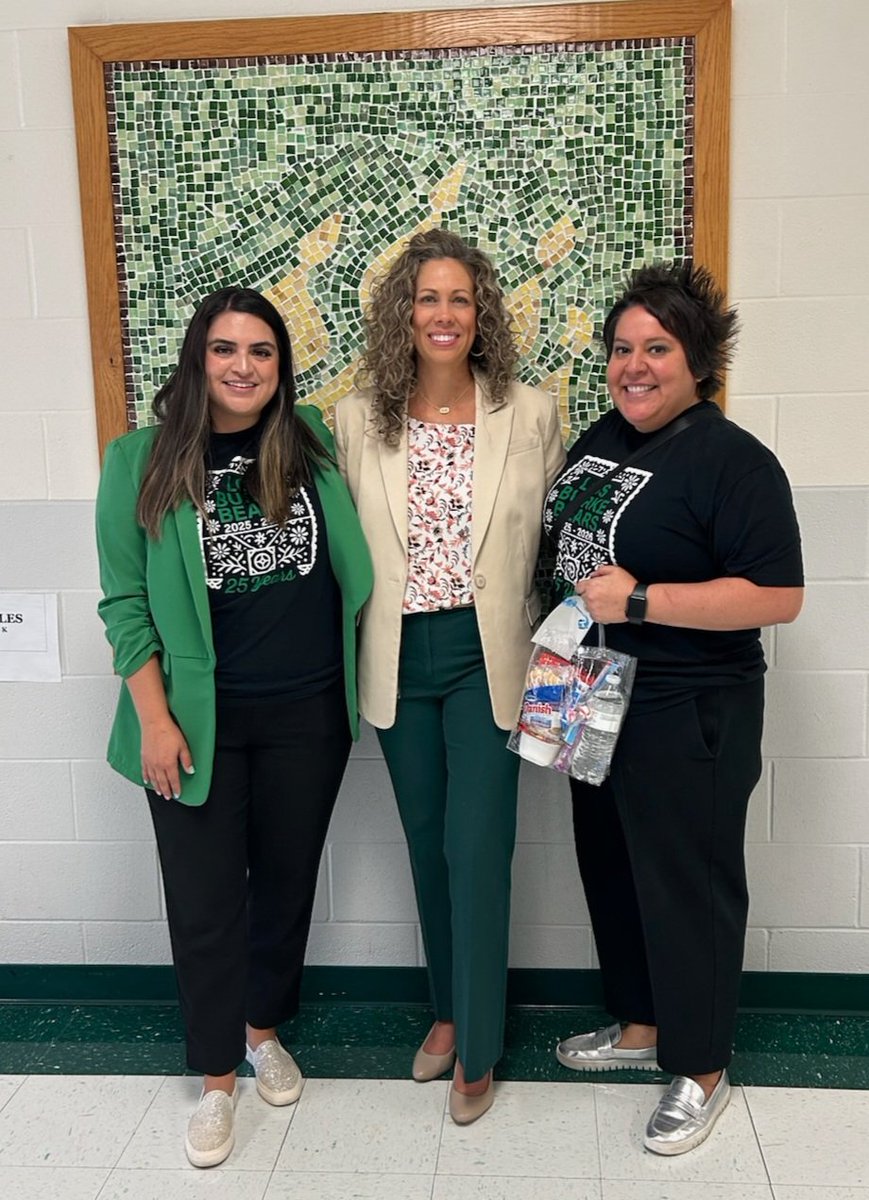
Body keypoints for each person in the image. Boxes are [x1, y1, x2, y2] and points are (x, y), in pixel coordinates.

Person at [95, 286, 372, 1168]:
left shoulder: (311, 441)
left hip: (309, 716)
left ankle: (262, 1031)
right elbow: (124, 603)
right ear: (197, 359)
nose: (243, 367)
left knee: (285, 887)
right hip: (194, 724)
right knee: (206, 901)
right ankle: (217, 1079)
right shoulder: (138, 460)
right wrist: (154, 719)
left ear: (281, 366)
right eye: (224, 349)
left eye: (261, 350)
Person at [544, 262, 803, 1155]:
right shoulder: (602, 437)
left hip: (686, 704)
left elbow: (776, 595)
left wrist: (643, 600)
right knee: (611, 865)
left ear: (698, 360)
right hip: (589, 691)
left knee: (687, 884)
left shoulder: (733, 460)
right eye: (621, 349)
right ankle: (640, 1024)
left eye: (656, 348)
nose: (634, 366)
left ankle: (699, 1067)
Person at [335, 228, 564, 1124]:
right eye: (427, 297)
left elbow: (552, 549)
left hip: (488, 657)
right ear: (404, 312)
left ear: (481, 313)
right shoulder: (358, 419)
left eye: (459, 298)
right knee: (427, 842)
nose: (443, 313)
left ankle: (478, 1043)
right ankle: (445, 1007)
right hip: (397, 657)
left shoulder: (529, 413)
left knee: (476, 848)